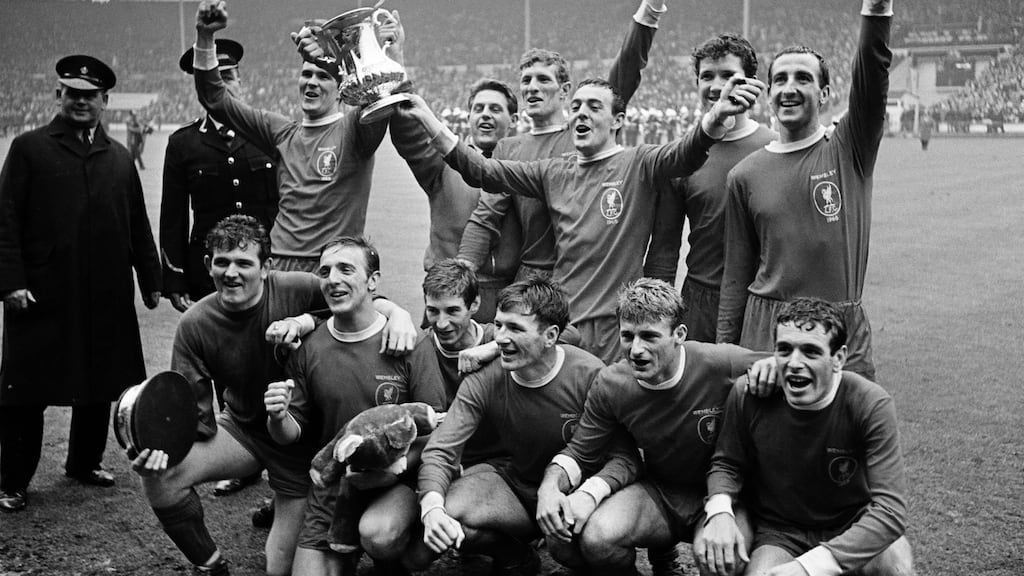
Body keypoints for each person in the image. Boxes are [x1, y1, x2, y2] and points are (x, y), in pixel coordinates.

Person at [398, 73, 761, 364]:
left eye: (593, 106)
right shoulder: (552, 171)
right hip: (560, 328)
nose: (581, 113)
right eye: (575, 106)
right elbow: (483, 171)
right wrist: (429, 119)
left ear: (618, 120)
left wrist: (714, 118)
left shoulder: (639, 163)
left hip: (616, 331)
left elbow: (686, 153)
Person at [130, 216, 417, 575]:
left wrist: (398, 314)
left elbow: (361, 300)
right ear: (207, 264)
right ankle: (211, 565)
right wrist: (160, 448)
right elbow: (195, 421)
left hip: (302, 445)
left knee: (279, 569)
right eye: (222, 262)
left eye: (243, 263)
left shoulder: (297, 288)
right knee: (161, 478)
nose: (231, 273)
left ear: (265, 267)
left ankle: (361, 538)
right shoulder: (195, 324)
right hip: (245, 431)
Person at [0, 55, 161, 513]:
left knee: (99, 380)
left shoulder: (119, 157)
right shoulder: (29, 148)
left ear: (105, 101)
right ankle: (12, 480)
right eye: (73, 93)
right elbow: (5, 220)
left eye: (91, 95)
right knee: (24, 391)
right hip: (42, 294)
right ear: (59, 96)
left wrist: (151, 280)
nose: (81, 101)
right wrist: (10, 282)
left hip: (105, 292)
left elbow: (137, 224)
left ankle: (84, 462)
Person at [535, 278, 769, 575]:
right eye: (627, 336)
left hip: (725, 494)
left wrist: (770, 369)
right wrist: (549, 488)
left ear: (679, 334)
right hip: (661, 492)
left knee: (724, 561)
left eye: (649, 336)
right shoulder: (612, 383)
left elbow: (791, 364)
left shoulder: (720, 362)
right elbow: (581, 451)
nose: (636, 349)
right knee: (596, 538)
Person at [716, 0, 896, 380]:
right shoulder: (744, 175)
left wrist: (876, 12)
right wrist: (726, 358)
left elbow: (872, 75)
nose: (790, 88)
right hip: (767, 331)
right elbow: (736, 276)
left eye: (803, 78)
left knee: (847, 419)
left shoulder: (848, 149)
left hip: (838, 330)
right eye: (780, 80)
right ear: (769, 94)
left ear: (825, 94)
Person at [411, 278, 638, 576]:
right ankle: (515, 555)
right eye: (499, 325)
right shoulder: (485, 378)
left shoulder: (589, 375)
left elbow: (626, 458)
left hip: (577, 493)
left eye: (516, 329)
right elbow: (441, 449)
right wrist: (431, 507)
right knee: (450, 511)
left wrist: (588, 494)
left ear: (550, 335)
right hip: (519, 487)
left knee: (572, 545)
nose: (501, 338)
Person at [264, 236, 447, 576]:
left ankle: (391, 561)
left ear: (373, 281)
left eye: (346, 269)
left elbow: (436, 429)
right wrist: (278, 415)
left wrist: (391, 471)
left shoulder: (409, 341)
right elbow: (290, 434)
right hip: (335, 485)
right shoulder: (309, 347)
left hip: (397, 481)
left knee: (379, 535)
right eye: (325, 272)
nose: (332, 279)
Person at [696, 297, 914, 576]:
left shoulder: (869, 403)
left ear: (839, 358)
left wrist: (809, 566)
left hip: (851, 524)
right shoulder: (749, 393)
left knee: (895, 565)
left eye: (811, 351)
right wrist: (719, 511)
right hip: (781, 532)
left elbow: (890, 511)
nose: (795, 363)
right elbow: (727, 463)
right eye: (785, 349)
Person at [457, 0, 667, 287]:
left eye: (543, 79)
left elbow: (626, 69)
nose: (532, 87)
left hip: (587, 275)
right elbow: (486, 216)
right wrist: (463, 269)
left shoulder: (585, 136)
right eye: (526, 80)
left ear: (565, 90)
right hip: (532, 279)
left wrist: (650, 11)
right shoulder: (508, 149)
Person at [191, 0, 395, 272]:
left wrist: (385, 48)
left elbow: (378, 95)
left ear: (340, 90)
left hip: (329, 268)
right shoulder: (282, 132)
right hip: (278, 265)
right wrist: (205, 37)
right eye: (306, 74)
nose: (311, 81)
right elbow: (215, 99)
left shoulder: (354, 131)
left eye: (322, 76)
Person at [163, 39, 281, 497]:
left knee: (274, 359)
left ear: (240, 80)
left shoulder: (266, 133)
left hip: (264, 271)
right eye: (213, 77)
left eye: (228, 75)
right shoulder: (183, 143)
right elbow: (174, 213)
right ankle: (234, 453)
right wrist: (175, 275)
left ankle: (278, 452)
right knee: (219, 359)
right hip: (211, 272)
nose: (221, 83)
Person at [642, 34, 776, 343]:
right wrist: (655, 316)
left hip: (761, 301)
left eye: (728, 75)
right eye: (707, 76)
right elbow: (664, 249)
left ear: (751, 82)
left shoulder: (775, 148)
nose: (717, 86)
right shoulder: (681, 157)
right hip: (701, 303)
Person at [389, 80, 522, 322]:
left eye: (495, 109)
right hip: (447, 295)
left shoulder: (526, 169)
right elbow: (410, 137)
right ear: (469, 117)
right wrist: (400, 96)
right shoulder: (442, 165)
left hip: (507, 296)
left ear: (513, 120)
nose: (485, 115)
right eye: (478, 109)